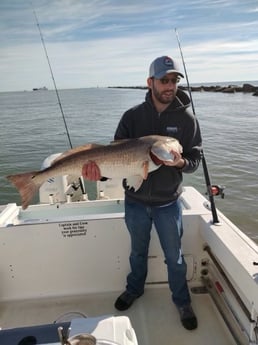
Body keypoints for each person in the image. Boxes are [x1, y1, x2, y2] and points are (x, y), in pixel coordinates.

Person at [82, 56, 202, 330]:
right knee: (137, 252)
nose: (170, 86)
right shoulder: (132, 117)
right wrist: (96, 173)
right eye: (164, 80)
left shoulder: (187, 121)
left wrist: (180, 162)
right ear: (150, 83)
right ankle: (134, 289)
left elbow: (195, 159)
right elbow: (114, 159)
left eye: (174, 80)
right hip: (135, 202)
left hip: (167, 204)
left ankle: (182, 301)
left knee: (175, 257)